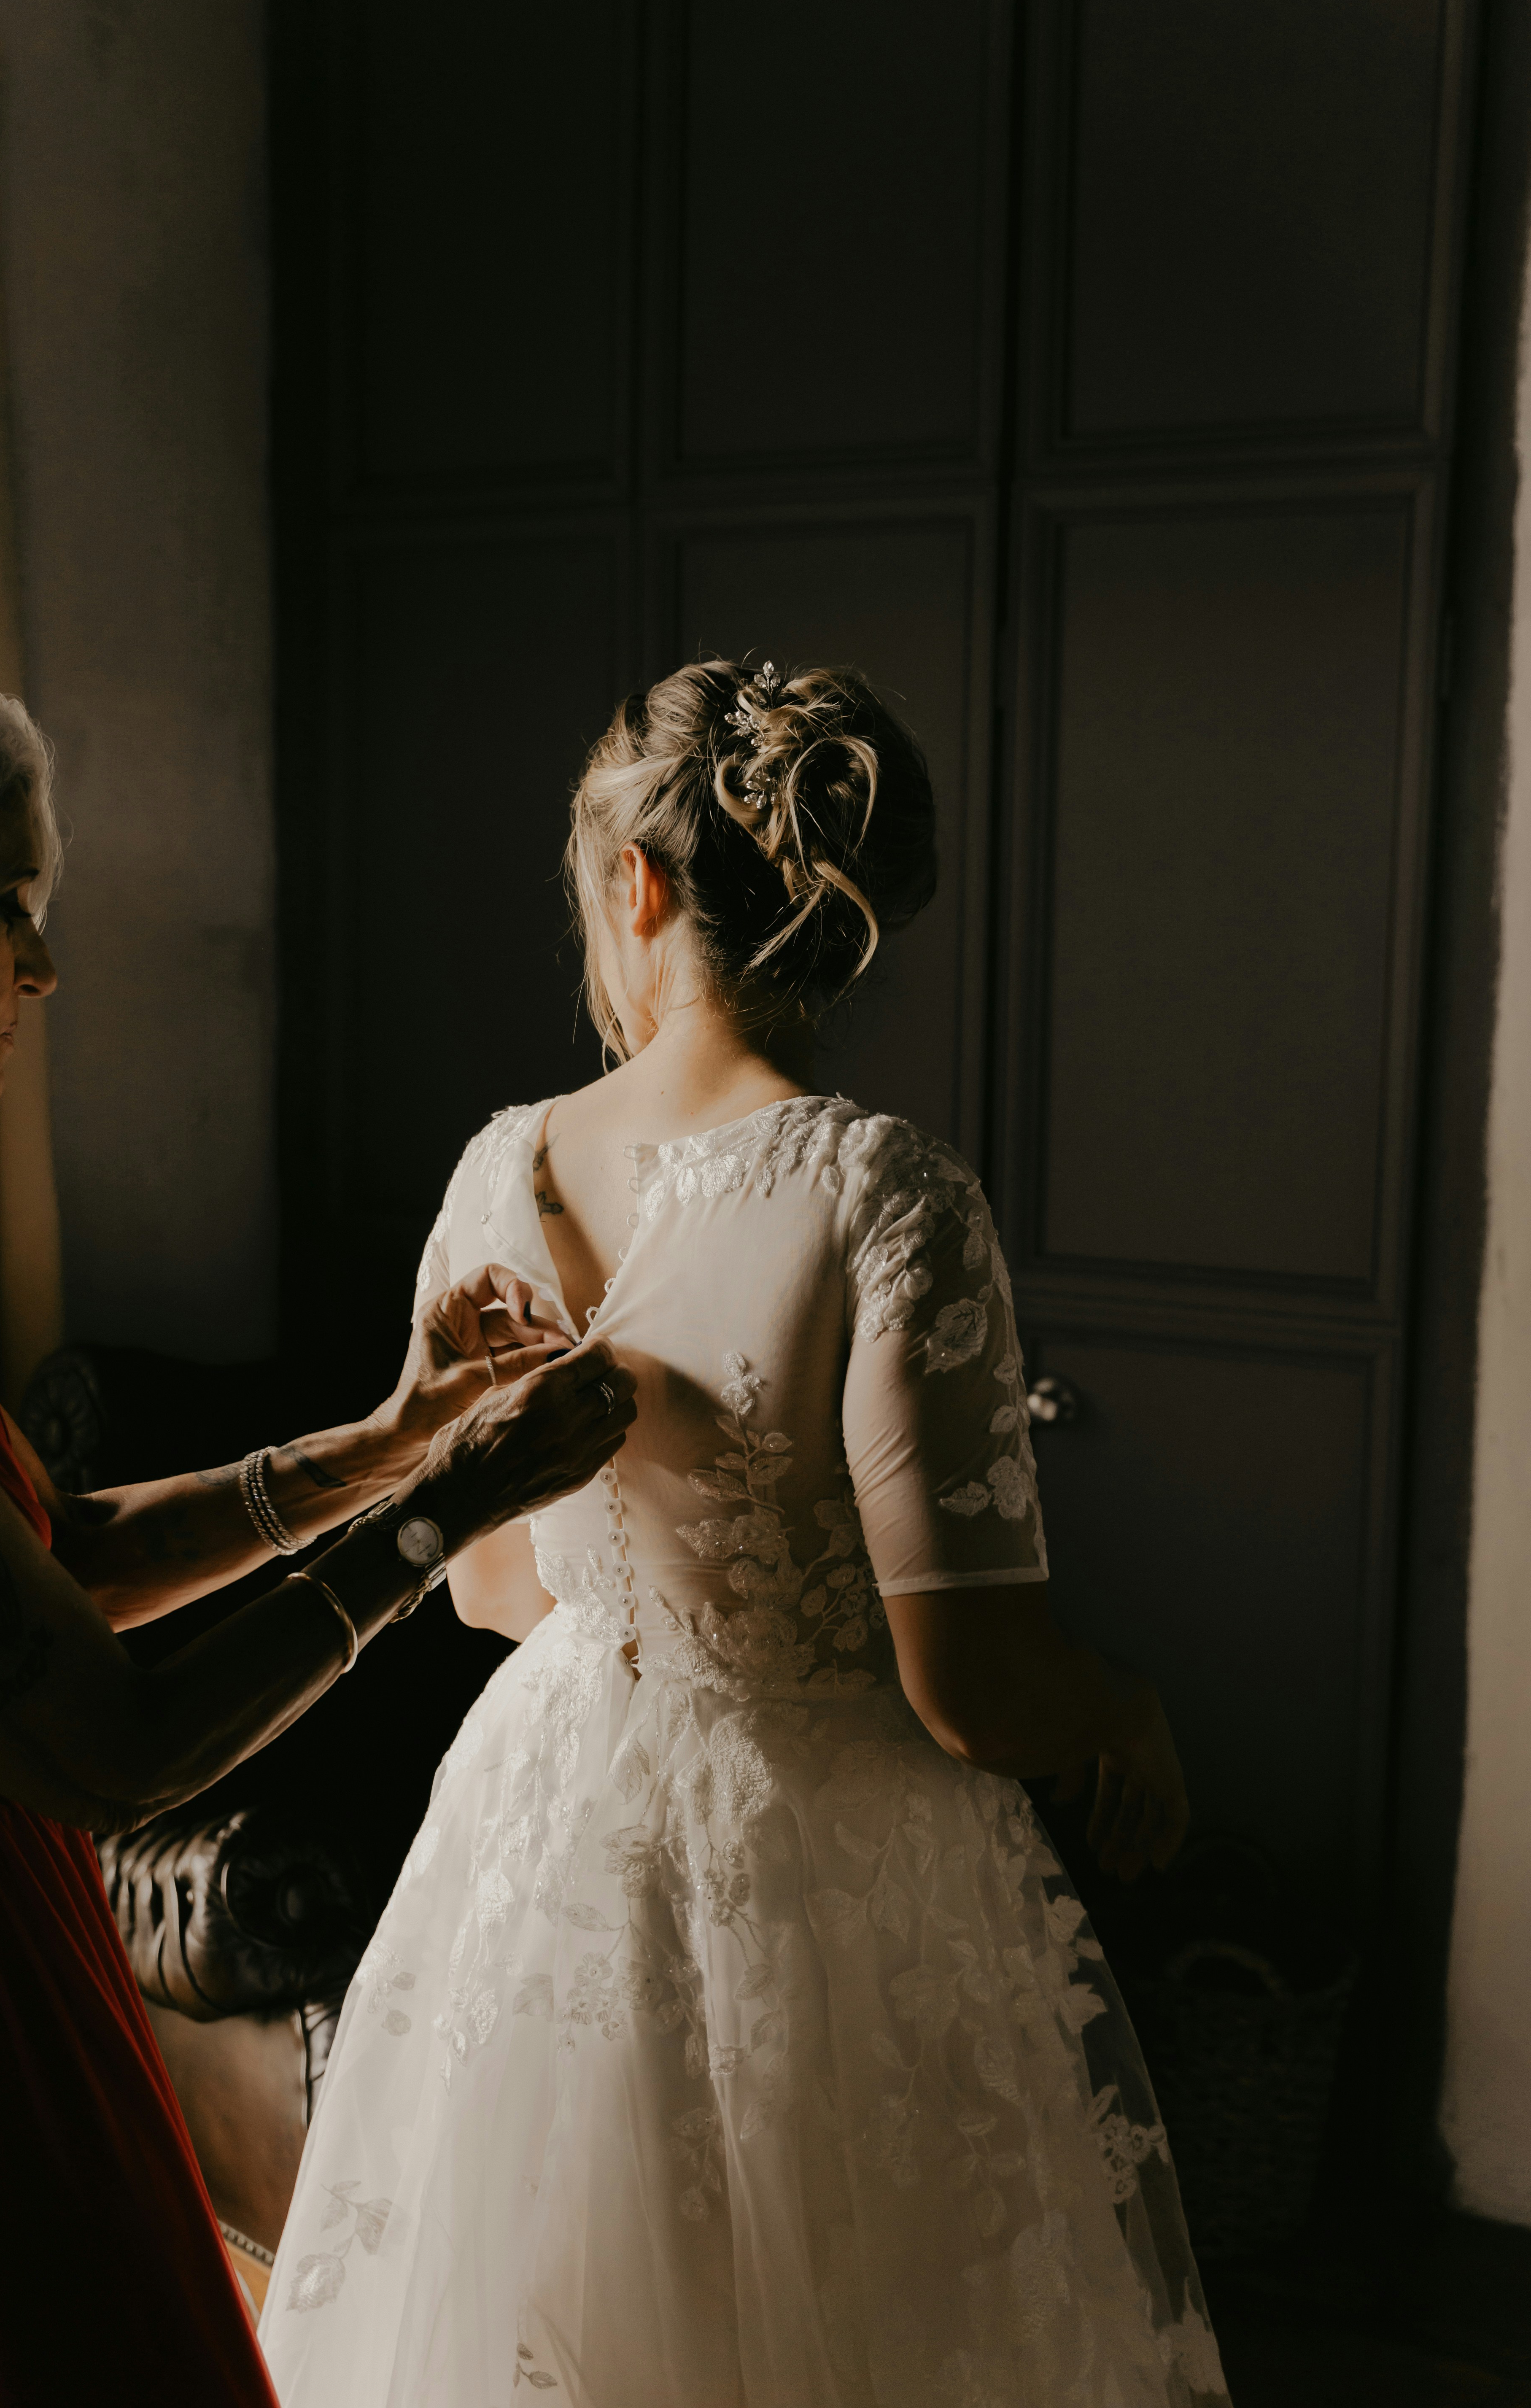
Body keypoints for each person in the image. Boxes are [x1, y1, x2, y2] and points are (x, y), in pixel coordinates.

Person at [260, 659, 1229, 2406]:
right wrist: (1122, 1712)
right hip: (826, 1854)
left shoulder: (498, 1172)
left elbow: (488, 1590)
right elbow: (969, 1689)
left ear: (634, 882)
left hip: (546, 1826)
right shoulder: (881, 1192)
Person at [0, 647, 636, 2407]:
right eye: (7, 906)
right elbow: (111, 1742)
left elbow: (41, 1546)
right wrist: (447, 1518)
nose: (43, 964)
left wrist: (376, 1446)